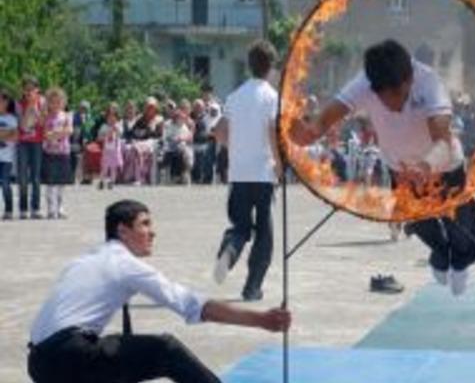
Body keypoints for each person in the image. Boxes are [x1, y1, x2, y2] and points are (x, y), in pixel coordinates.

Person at [291, 39, 475, 296]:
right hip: (401, 172)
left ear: (410, 80)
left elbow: (444, 142)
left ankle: (459, 260)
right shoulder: (364, 84)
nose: (394, 106)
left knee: (465, 243)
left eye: (399, 96)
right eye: (385, 99)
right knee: (425, 229)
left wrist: (424, 166)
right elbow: (324, 120)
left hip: (444, 168)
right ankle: (439, 254)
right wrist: (307, 134)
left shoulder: (430, 84)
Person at [27, 199, 291, 383]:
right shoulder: (125, 264)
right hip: (69, 355)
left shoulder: (85, 260)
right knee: (165, 349)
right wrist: (261, 320)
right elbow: (193, 305)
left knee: (119, 356)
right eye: (145, 224)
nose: (153, 233)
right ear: (122, 230)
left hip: (39, 363)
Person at [213, 40, 282, 301]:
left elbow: (219, 132)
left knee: (240, 226)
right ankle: (252, 287)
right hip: (263, 174)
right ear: (271, 68)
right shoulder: (271, 96)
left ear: (249, 66)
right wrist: (279, 165)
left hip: (238, 174)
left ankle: (229, 251)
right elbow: (273, 132)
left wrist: (238, 146)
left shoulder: (234, 96)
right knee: (264, 234)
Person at [42, 88, 74, 219]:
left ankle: (60, 207)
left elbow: (69, 131)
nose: (55, 104)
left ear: (63, 103)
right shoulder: (46, 117)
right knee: (50, 182)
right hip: (49, 152)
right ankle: (50, 208)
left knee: (61, 182)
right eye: (52, 102)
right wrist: (59, 133)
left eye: (58, 102)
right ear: (48, 103)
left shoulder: (66, 116)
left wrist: (54, 134)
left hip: (63, 152)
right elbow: (45, 134)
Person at [16, 76, 45, 219]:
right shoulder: (18, 104)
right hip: (22, 143)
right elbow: (23, 125)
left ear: (37, 90)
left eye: (31, 89)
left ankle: (36, 207)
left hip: (37, 142)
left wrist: (35, 107)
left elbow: (42, 123)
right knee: (22, 176)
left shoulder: (42, 102)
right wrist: (29, 107)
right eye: (26, 89)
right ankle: (23, 208)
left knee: (35, 177)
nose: (28, 92)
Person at [97, 104, 124, 190]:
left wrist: (116, 130)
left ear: (116, 118)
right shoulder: (104, 127)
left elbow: (120, 134)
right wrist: (105, 135)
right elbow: (99, 137)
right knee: (104, 167)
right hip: (107, 150)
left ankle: (112, 181)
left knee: (113, 167)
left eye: (113, 117)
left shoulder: (118, 126)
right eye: (109, 117)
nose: (111, 119)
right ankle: (101, 181)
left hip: (115, 151)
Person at [0, 92, 18, 220]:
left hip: (6, 158)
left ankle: (9, 210)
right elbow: (10, 134)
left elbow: (15, 137)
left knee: (5, 183)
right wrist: (6, 133)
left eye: (2, 101)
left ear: (8, 103)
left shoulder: (12, 118)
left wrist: (4, 135)